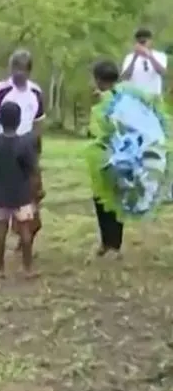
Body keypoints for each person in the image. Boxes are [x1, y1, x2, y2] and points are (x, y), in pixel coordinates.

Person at [0, 50, 46, 249]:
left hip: (26, 148)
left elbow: (38, 122)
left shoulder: (36, 92)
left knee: (31, 197)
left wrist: (35, 146)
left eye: (22, 69)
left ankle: (24, 239)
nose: (18, 73)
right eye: (15, 68)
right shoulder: (1, 90)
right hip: (4, 146)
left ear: (29, 71)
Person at [0, 102, 38, 278]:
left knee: (0, 229)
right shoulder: (24, 144)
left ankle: (0, 268)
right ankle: (27, 269)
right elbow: (32, 171)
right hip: (22, 195)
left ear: (0, 120)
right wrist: (33, 196)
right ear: (19, 121)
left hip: (1, 195)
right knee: (25, 231)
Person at [87, 60, 125, 257]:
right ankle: (109, 243)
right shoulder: (118, 98)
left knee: (107, 201)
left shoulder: (109, 101)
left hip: (109, 154)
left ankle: (112, 244)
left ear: (99, 80)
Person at [121, 27, 167, 96]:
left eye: (144, 42)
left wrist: (150, 56)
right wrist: (134, 58)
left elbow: (161, 72)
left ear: (150, 41)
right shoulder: (129, 57)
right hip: (134, 97)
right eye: (140, 42)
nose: (142, 44)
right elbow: (125, 77)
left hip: (153, 98)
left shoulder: (160, 56)